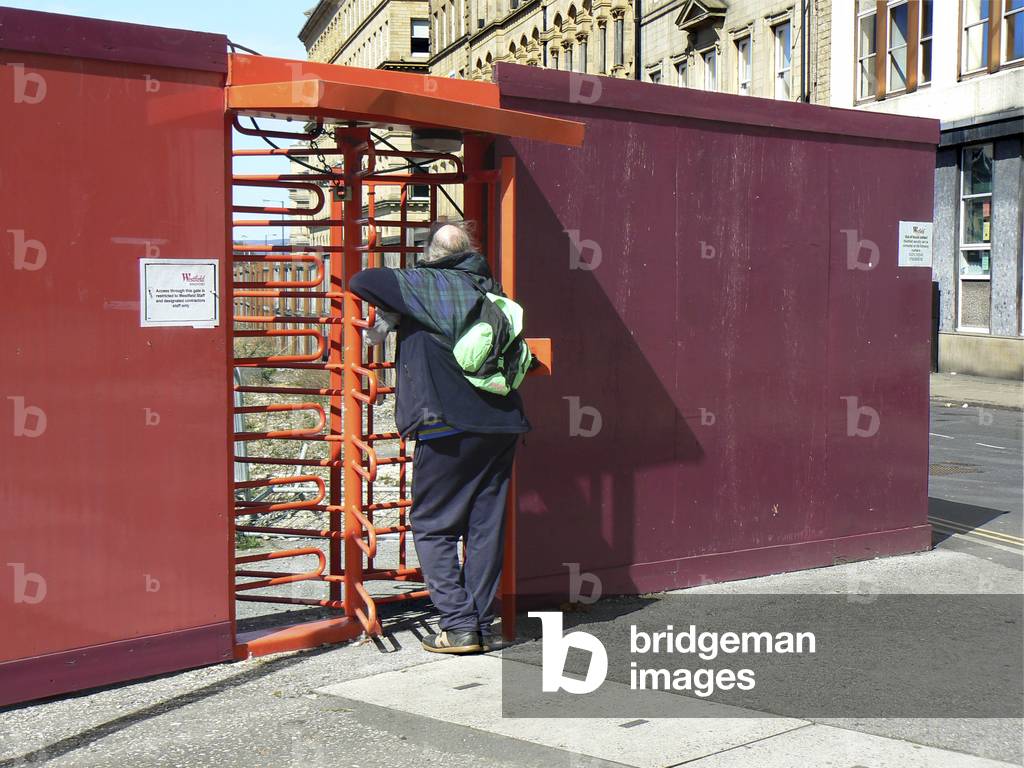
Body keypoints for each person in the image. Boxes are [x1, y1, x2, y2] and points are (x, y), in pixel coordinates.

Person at [348, 221, 529, 654]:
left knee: (432, 525)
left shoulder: (426, 285)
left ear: (431, 252)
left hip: (446, 422)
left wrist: (411, 281)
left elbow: (362, 280)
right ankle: (481, 624)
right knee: (485, 527)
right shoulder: (490, 288)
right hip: (503, 422)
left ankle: (459, 624)